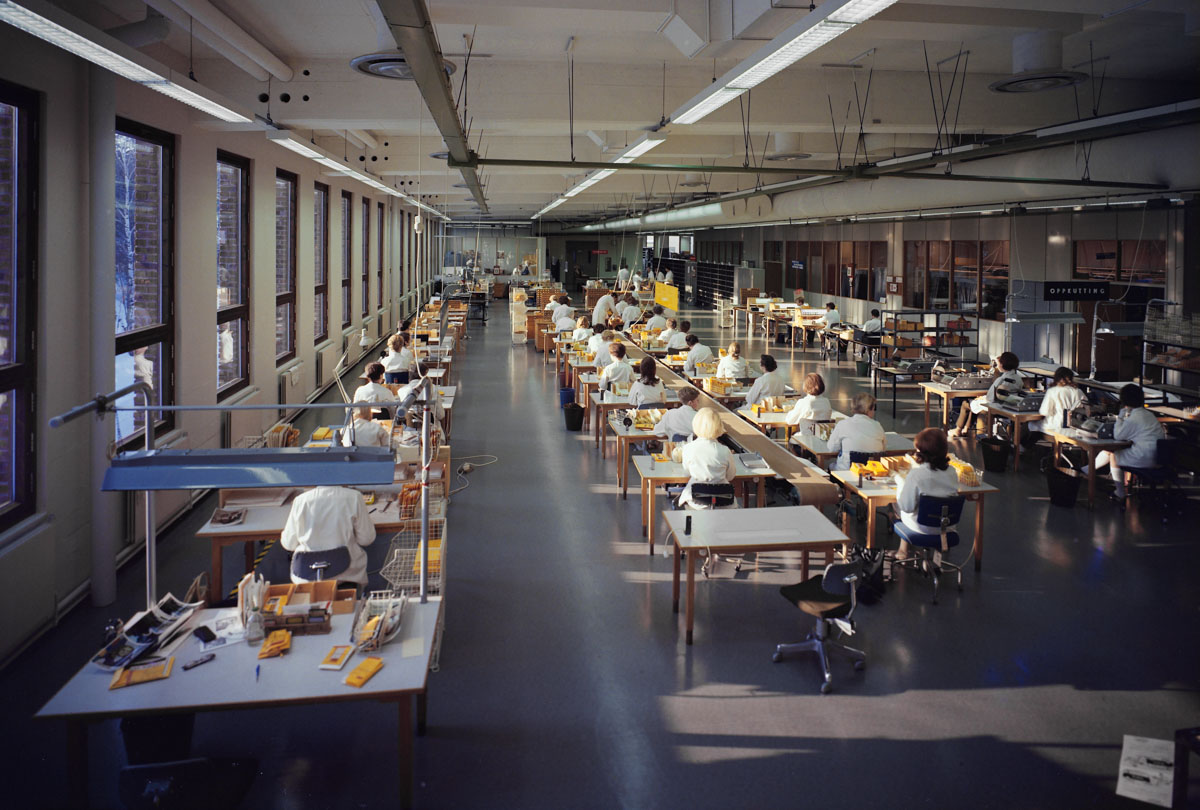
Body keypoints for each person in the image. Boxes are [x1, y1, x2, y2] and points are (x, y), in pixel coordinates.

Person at [280, 485, 377, 587]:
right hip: (346, 575)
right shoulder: (354, 497)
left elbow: (289, 544)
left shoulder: (300, 500)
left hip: (306, 576)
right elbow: (366, 539)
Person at [1082, 384, 1165, 500]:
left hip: (1144, 458)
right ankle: (1086, 469)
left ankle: (1120, 492)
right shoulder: (1148, 415)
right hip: (1158, 457)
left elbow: (1118, 435)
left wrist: (1120, 416)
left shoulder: (1134, 418)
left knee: (1114, 455)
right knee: (1111, 451)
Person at [893, 428, 961, 559]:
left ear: (921, 452)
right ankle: (935, 558)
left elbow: (907, 507)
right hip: (946, 528)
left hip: (920, 529)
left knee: (897, 506)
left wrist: (900, 482)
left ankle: (902, 552)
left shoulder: (916, 475)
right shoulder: (952, 472)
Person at [949, 351, 1024, 437]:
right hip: (1010, 406)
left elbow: (990, 398)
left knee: (966, 403)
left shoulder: (1001, 380)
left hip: (997, 407)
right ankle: (965, 429)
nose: (997, 366)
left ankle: (958, 429)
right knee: (973, 404)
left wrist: (981, 398)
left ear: (1002, 365)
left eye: (998, 364)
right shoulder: (1018, 378)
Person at [677, 407, 737, 509]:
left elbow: (687, 473)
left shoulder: (688, 448)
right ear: (719, 426)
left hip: (696, 501)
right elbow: (730, 476)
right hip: (723, 501)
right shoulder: (725, 450)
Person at [1023, 367, 1085, 445]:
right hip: (1074, 428)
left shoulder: (1052, 391)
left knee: (1029, 425)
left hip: (1055, 426)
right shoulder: (1078, 391)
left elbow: (1044, 412)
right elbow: (1086, 408)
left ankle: (1022, 448)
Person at [826, 392, 886, 470]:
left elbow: (831, 448)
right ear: (869, 409)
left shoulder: (843, 424)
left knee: (830, 466)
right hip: (872, 471)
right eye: (874, 409)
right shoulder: (878, 426)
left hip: (846, 472)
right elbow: (883, 448)